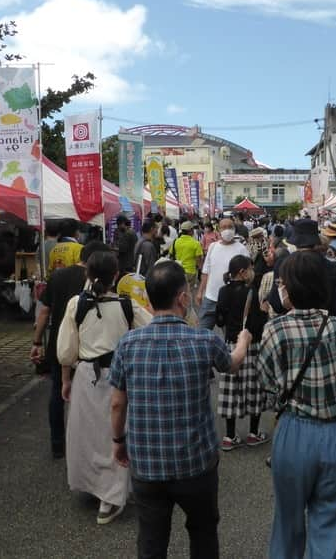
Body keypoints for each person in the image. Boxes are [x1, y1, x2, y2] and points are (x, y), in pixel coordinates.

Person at [109, 261, 252, 558]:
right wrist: (243, 342)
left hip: (147, 463)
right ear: (183, 298)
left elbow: (117, 402)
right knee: (202, 532)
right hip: (196, 463)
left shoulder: (128, 343)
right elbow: (232, 364)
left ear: (148, 300)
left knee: (151, 537)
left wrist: (119, 441)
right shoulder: (204, 339)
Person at [257, 251, 336, 559]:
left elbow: (265, 381)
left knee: (287, 519)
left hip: (293, 431)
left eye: (282, 283)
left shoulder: (275, 330)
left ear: (291, 287)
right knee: (331, 520)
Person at [57, 251, 151, 524]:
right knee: (116, 434)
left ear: (87, 273)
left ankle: (100, 489)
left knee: (88, 436)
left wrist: (65, 379)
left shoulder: (77, 304)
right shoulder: (127, 305)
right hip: (120, 379)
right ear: (116, 275)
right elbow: (151, 328)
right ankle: (111, 494)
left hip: (86, 376)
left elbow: (66, 350)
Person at [31, 240, 108, 458]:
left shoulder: (58, 276)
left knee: (57, 393)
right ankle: (85, 447)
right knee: (89, 397)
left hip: (59, 343)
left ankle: (57, 444)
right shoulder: (99, 279)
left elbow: (44, 312)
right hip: (89, 347)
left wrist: (36, 342)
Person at [216, 255, 269, 451]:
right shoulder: (251, 292)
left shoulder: (222, 291)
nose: (252, 272)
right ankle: (253, 433)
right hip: (250, 345)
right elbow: (257, 324)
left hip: (230, 345)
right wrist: (263, 312)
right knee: (254, 389)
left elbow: (219, 320)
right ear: (242, 272)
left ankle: (229, 437)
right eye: (250, 269)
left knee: (230, 390)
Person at [195, 218, 250, 329]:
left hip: (232, 300)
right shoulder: (213, 247)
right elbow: (206, 271)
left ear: (235, 229)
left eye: (230, 227)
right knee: (202, 332)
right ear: (218, 230)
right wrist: (200, 292)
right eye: (224, 227)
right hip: (210, 298)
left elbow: (248, 274)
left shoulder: (242, 249)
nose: (227, 230)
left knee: (231, 336)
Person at [170, 220, 204, 291]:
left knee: (179, 291)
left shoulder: (175, 241)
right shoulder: (196, 243)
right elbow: (198, 259)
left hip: (177, 270)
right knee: (189, 292)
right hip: (190, 271)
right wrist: (200, 271)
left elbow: (171, 254)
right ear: (190, 231)